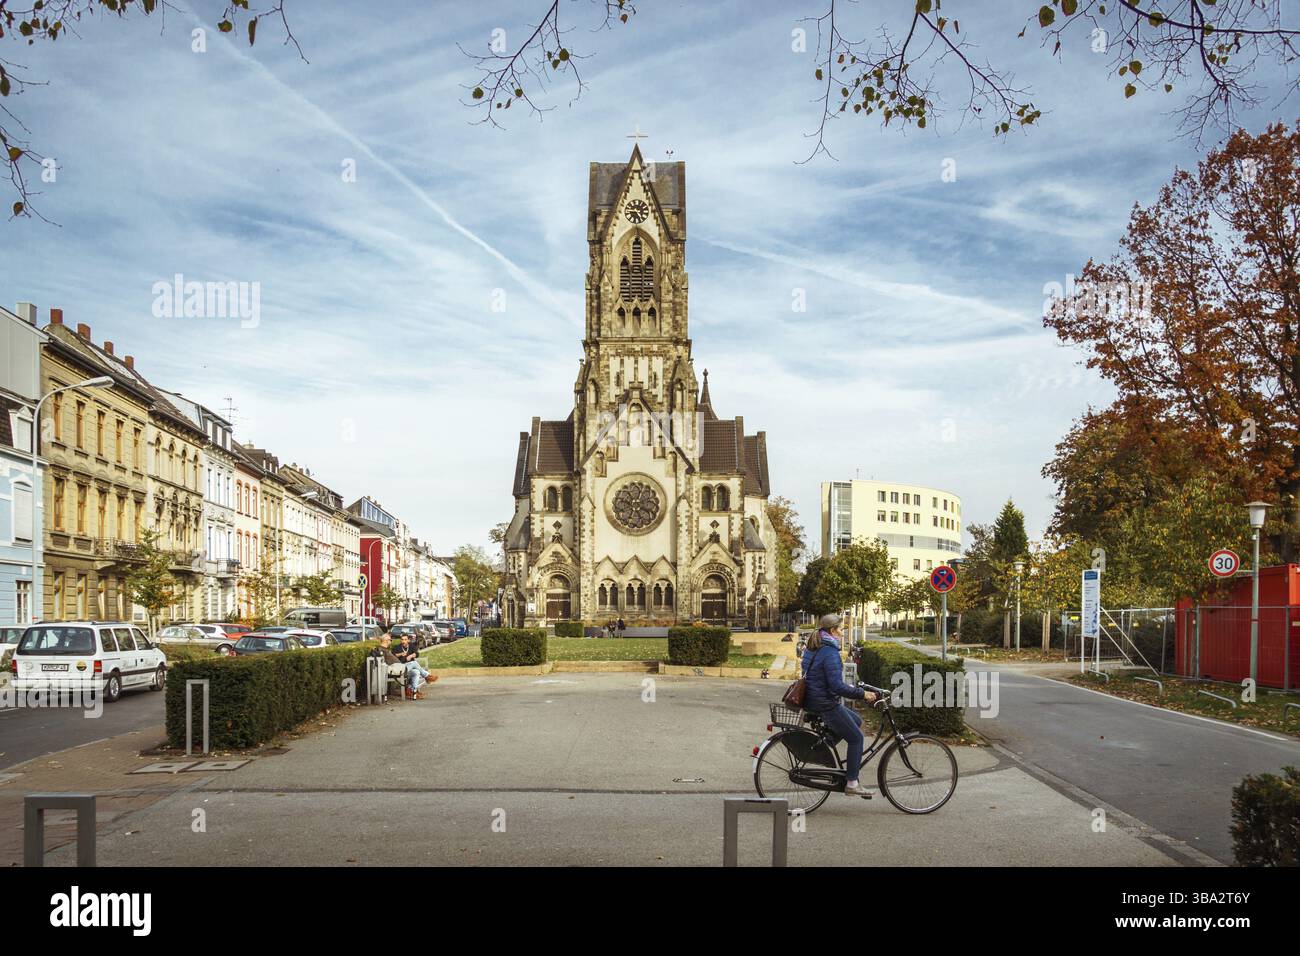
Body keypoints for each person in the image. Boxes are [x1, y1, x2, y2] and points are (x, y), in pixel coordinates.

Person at [801, 612, 878, 797]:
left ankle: (822, 747)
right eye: (841, 630)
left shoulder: (814, 646)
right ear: (832, 631)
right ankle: (852, 783)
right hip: (824, 703)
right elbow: (836, 686)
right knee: (857, 738)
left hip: (813, 699)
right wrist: (862, 694)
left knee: (856, 721)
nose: (843, 634)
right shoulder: (830, 652)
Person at [390, 632, 438, 700]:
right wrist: (401, 655)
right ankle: (427, 676)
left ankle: (413, 691)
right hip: (401, 668)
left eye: (405, 639)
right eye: (402, 639)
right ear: (400, 640)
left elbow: (417, 653)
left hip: (409, 669)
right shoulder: (397, 647)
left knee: (416, 672)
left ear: (408, 640)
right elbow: (393, 656)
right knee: (414, 663)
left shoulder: (411, 646)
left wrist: (412, 655)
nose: (403, 641)